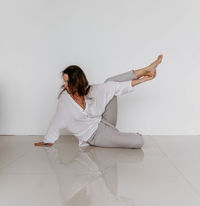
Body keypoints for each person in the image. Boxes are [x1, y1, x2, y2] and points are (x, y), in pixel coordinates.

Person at [34, 55, 163, 149]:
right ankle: (119, 136)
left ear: (78, 81)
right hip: (95, 135)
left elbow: (117, 87)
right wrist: (48, 140)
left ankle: (146, 70)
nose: (66, 85)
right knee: (138, 141)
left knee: (109, 84)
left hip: (104, 121)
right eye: (65, 81)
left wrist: (145, 79)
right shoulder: (65, 100)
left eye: (69, 82)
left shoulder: (91, 91)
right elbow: (57, 120)